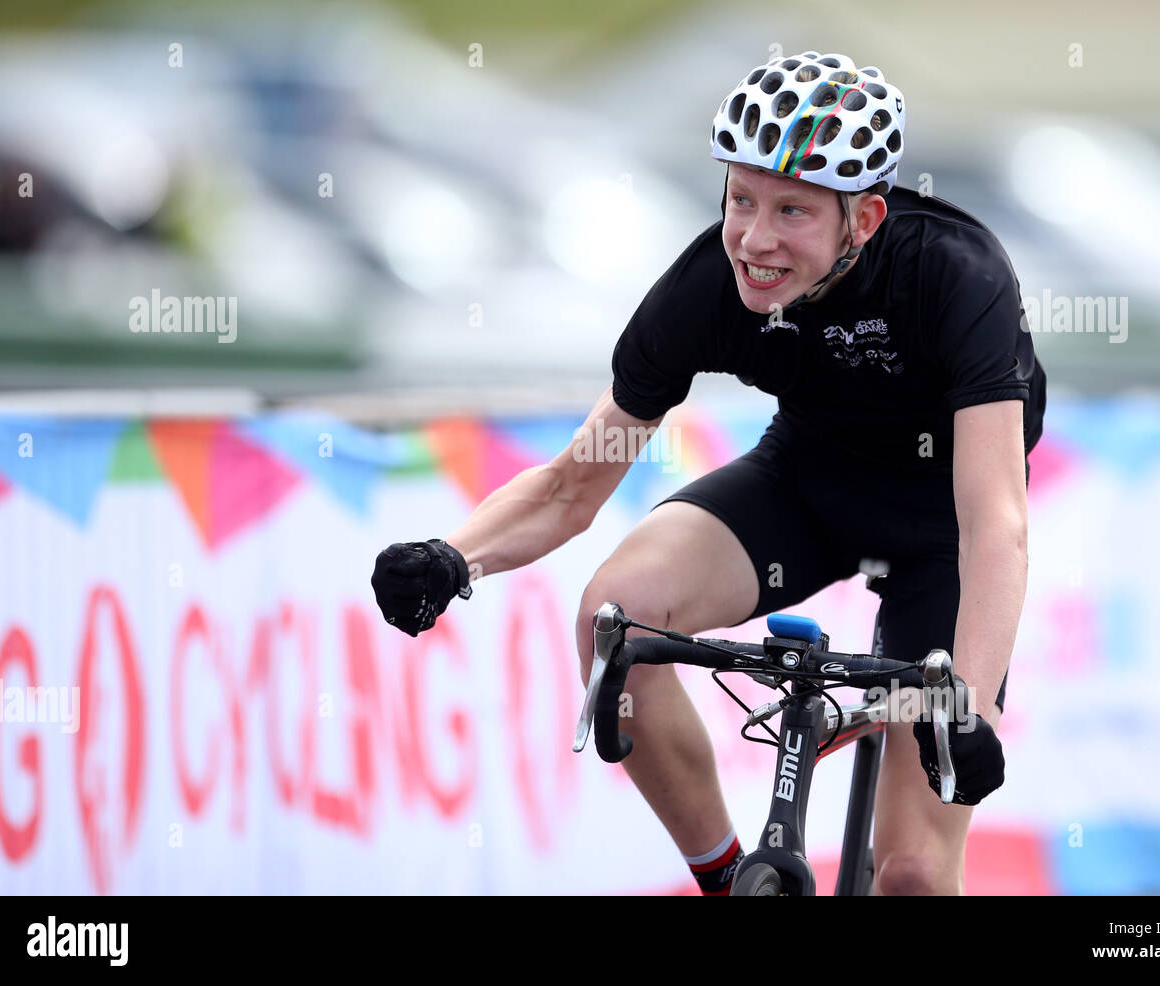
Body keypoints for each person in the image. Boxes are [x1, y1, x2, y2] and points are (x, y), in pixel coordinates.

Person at [372, 51, 1045, 896]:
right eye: (741, 199)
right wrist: (452, 557)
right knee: (615, 621)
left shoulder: (956, 275)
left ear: (865, 218)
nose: (755, 241)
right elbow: (573, 484)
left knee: (910, 872)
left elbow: (995, 524)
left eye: (793, 211)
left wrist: (969, 708)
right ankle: (732, 884)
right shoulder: (707, 288)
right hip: (806, 489)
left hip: (941, 536)